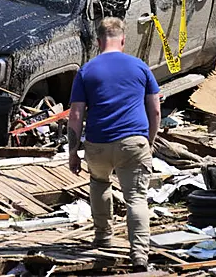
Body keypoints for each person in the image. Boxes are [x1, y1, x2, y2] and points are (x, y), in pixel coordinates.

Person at [67, 17, 162, 271]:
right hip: (133, 143)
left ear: (99, 42)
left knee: (99, 183)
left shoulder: (86, 71)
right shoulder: (140, 67)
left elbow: (76, 115)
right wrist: (149, 141)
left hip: (97, 145)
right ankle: (139, 253)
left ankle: (103, 237)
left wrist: (73, 153)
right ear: (123, 39)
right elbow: (155, 111)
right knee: (136, 198)